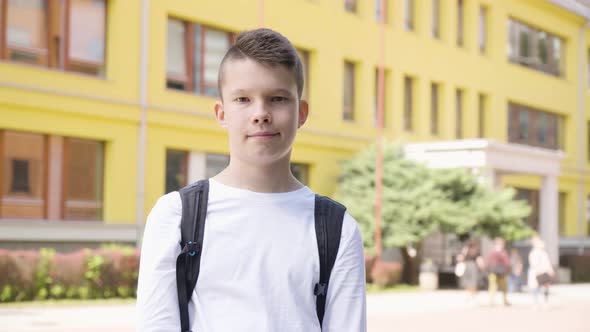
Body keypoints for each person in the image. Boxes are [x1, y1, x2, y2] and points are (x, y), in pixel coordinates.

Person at [136, 28, 367, 331]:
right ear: (221, 113)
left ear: (302, 112)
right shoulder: (177, 216)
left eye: (278, 99)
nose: (261, 113)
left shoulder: (336, 228)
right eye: (243, 99)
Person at [528, 236, 555, 306]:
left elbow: (547, 262)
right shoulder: (533, 253)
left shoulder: (544, 253)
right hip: (537, 272)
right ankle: (535, 302)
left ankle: (545, 301)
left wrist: (550, 270)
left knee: (545, 286)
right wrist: (538, 270)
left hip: (544, 271)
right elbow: (533, 263)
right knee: (535, 287)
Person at [486, 237, 511, 306]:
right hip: (498, 271)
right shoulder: (501, 252)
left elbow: (489, 261)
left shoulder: (494, 252)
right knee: (498, 286)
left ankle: (497, 300)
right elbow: (507, 262)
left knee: (497, 286)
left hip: (496, 271)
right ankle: (497, 300)